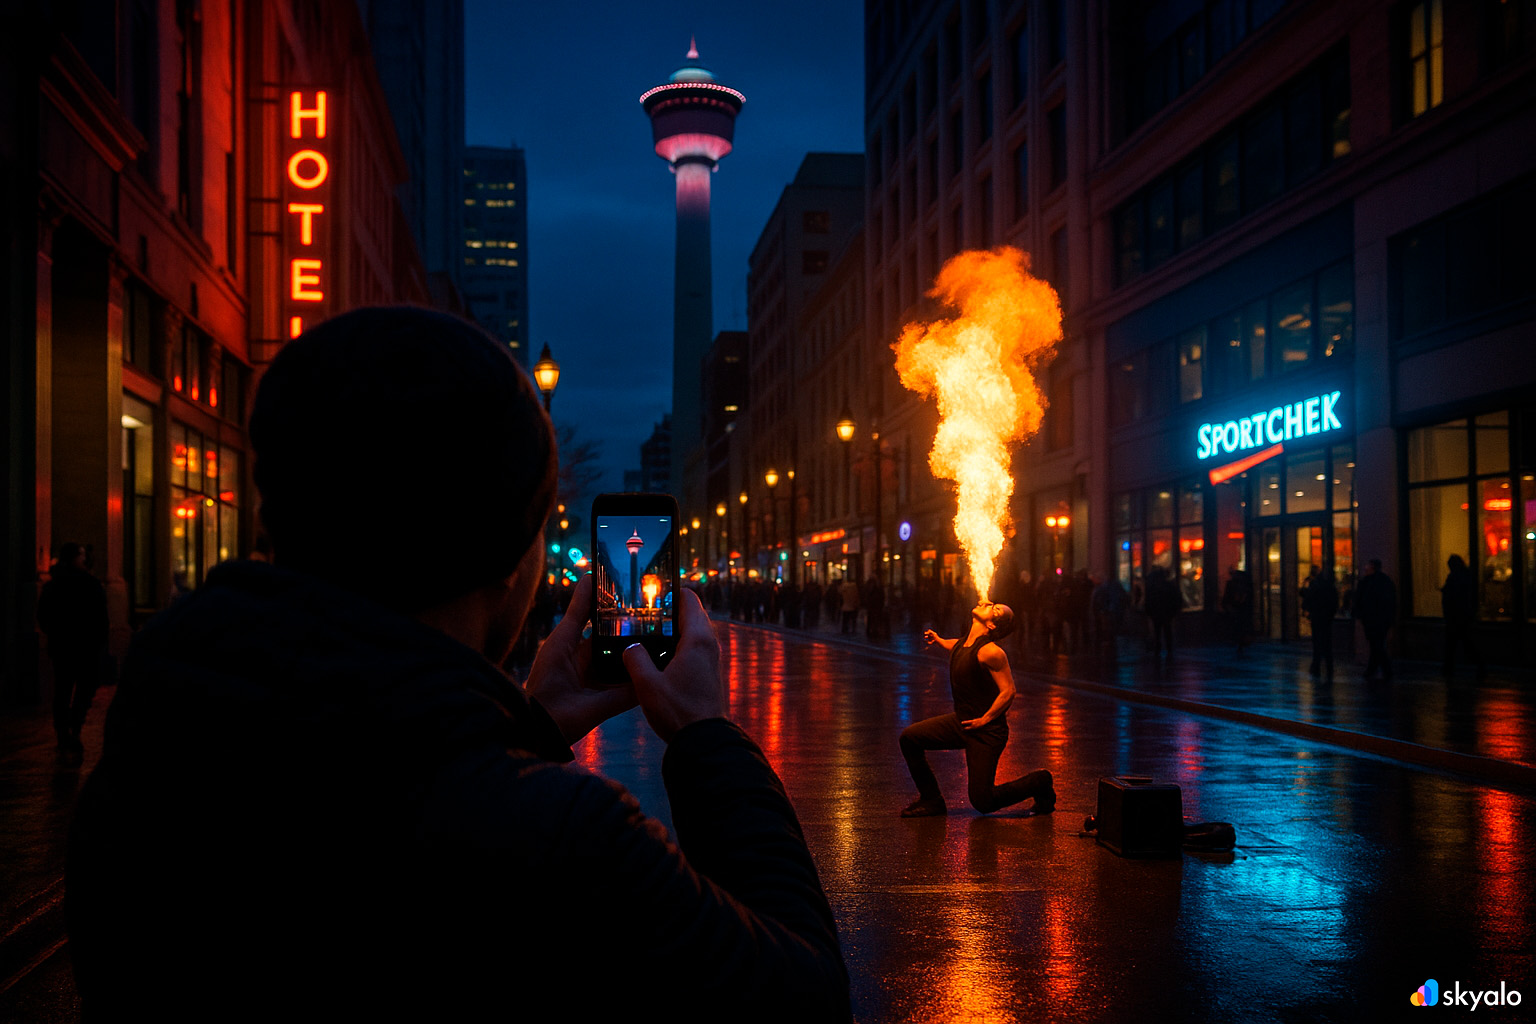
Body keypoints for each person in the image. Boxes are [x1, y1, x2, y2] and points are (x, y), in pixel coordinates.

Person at [66, 308, 850, 1021]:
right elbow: (803, 995)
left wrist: (525, 727)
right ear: (513, 562)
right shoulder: (568, 843)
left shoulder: (153, 750)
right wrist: (708, 738)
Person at [899, 603, 1055, 817]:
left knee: (983, 801)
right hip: (962, 723)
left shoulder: (992, 652)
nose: (990, 604)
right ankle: (931, 799)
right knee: (909, 739)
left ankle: (1040, 781)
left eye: (996, 610)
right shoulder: (966, 642)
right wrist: (939, 640)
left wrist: (985, 719)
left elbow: (1008, 691)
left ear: (991, 624)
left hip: (987, 733)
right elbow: (957, 646)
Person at [36, 541, 108, 755]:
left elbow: (44, 615)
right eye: (81, 555)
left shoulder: (54, 584)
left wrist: (55, 633)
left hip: (64, 645)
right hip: (84, 645)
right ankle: (73, 724)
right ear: (75, 558)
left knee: (64, 688)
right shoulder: (90, 584)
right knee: (83, 686)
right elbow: (100, 616)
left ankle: (64, 728)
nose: (84, 559)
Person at [1441, 553, 1484, 678]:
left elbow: (1452, 597)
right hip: (1462, 616)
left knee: (1455, 644)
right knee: (1464, 643)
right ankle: (1478, 665)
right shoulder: (1465, 576)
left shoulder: (1455, 577)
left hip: (1456, 616)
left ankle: (1448, 667)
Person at [1352, 559, 1396, 681]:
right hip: (1381, 620)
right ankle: (1374, 668)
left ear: (1372, 567)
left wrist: (1360, 613)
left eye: (1367, 566)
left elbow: (1362, 600)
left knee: (1376, 645)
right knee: (1376, 644)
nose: (1365, 568)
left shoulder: (1368, 582)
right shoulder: (1385, 582)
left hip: (1373, 619)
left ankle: (1382, 669)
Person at [1300, 565, 1339, 677]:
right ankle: (1328, 666)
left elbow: (1307, 597)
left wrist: (1308, 610)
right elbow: (1334, 603)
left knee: (1317, 642)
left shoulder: (1314, 585)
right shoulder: (1330, 587)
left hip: (1317, 616)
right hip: (1326, 617)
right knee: (1327, 642)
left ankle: (1316, 665)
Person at [1144, 566, 1182, 665]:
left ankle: (1158, 649)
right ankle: (1169, 649)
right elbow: (1177, 598)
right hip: (1167, 613)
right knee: (1167, 630)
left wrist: (1148, 611)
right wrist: (1174, 610)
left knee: (1157, 631)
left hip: (1157, 613)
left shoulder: (1152, 587)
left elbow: (1149, 601)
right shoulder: (1170, 586)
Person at [1089, 572, 1127, 655]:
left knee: (1107, 628)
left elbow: (1100, 601)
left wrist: (1104, 610)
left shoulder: (1103, 588)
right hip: (1108, 611)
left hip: (1106, 612)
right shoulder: (1112, 587)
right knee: (1109, 629)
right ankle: (1109, 645)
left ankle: (1106, 646)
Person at [1220, 566, 1254, 654]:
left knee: (1238, 628)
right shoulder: (1241, 586)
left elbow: (1226, 599)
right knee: (1239, 628)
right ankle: (1240, 642)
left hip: (1236, 610)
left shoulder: (1233, 585)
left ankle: (1239, 642)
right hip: (1237, 610)